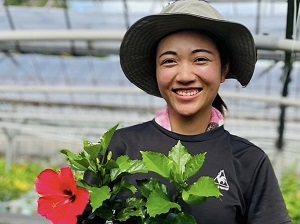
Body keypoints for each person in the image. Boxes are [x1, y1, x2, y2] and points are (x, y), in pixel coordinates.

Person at [83, 0, 292, 223]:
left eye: (200, 59)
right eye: (169, 61)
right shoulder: (120, 147)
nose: (184, 76)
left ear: (224, 69)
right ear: (156, 70)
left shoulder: (249, 161)